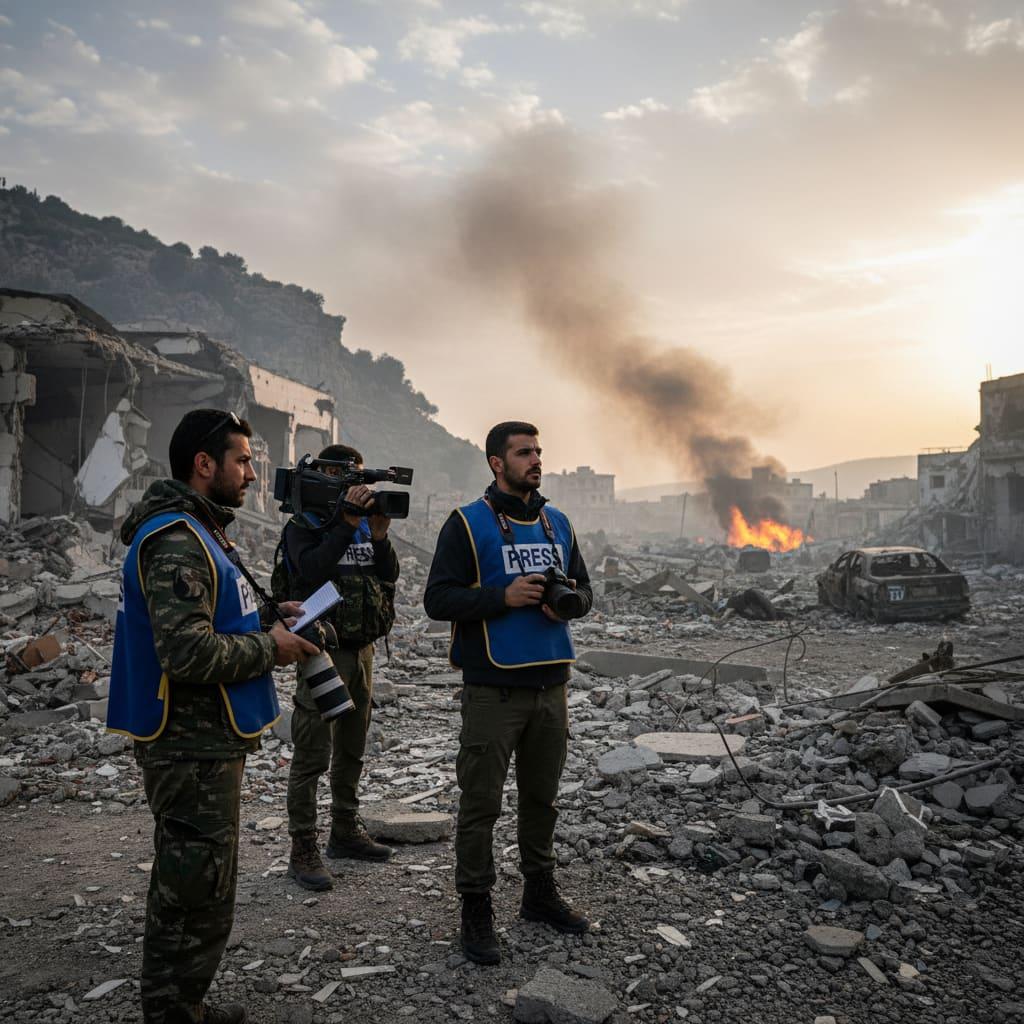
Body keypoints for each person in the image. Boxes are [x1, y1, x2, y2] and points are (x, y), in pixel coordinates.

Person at [107, 409, 318, 1024]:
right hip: (187, 743)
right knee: (188, 883)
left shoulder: (203, 533)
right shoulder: (176, 538)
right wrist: (271, 647)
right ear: (205, 465)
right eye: (243, 460)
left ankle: (185, 1004)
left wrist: (266, 615)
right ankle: (170, 1011)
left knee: (205, 877)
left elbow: (213, 620)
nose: (252, 473)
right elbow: (187, 651)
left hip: (207, 739)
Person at [423, 421, 593, 965]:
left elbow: (586, 590)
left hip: (552, 686)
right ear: (497, 462)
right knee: (481, 805)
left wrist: (565, 601)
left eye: (539, 450)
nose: (535, 459)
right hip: (493, 690)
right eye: (524, 452)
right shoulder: (467, 525)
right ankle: (476, 908)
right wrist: (503, 596)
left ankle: (539, 894)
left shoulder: (557, 523)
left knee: (542, 800)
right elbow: (437, 599)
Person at [282, 444, 400, 890]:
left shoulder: (366, 527)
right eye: (343, 475)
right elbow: (308, 574)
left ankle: (345, 831)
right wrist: (344, 526)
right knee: (313, 752)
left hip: (363, 649)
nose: (354, 486)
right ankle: (302, 847)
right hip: (321, 650)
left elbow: (386, 576)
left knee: (352, 747)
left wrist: (381, 534)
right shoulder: (305, 525)